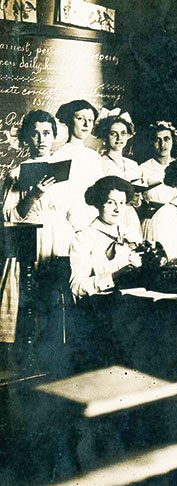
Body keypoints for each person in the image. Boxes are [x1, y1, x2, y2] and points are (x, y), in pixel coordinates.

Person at [1, 110, 76, 347]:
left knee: (58, 294)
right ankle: (28, 349)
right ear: (26, 138)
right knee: (31, 295)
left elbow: (73, 211)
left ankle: (57, 348)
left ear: (54, 135)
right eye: (35, 134)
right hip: (31, 236)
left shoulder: (66, 172)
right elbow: (10, 216)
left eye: (46, 133)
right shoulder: (16, 173)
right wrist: (34, 194)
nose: (41, 140)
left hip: (60, 237)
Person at [69, 176, 143, 299]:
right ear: (99, 203)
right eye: (110, 202)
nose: (117, 209)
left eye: (122, 203)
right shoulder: (84, 238)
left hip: (137, 297)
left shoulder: (131, 234)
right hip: (104, 303)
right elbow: (76, 287)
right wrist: (113, 276)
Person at [53, 99, 104, 232]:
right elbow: (59, 196)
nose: (86, 124)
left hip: (94, 221)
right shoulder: (59, 156)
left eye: (91, 120)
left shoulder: (95, 157)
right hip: (68, 223)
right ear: (69, 120)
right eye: (80, 118)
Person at [139, 120, 177, 206]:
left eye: (166, 139)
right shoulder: (142, 169)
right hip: (152, 217)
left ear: (173, 141)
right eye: (157, 140)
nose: (162, 144)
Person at [94, 112, 143, 184]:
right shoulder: (99, 163)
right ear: (105, 137)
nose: (119, 138)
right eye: (113, 133)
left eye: (123, 133)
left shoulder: (133, 164)